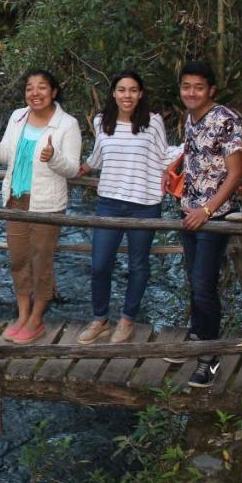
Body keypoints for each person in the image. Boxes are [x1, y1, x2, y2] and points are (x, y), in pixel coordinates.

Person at [0, 69, 81, 344]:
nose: (35, 93)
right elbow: (5, 156)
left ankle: (37, 319)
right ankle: (23, 315)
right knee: (19, 260)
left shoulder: (67, 124)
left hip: (47, 203)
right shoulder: (17, 116)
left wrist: (53, 157)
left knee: (41, 262)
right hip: (15, 199)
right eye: (30, 88)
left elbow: (71, 169)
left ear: (54, 91)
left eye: (42, 87)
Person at [162, 59, 242, 388]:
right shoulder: (190, 118)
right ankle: (198, 336)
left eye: (198, 87)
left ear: (211, 90)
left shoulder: (226, 120)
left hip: (214, 216)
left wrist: (208, 210)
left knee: (203, 285)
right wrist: (171, 173)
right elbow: (195, 156)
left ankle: (209, 358)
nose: (191, 92)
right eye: (186, 86)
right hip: (189, 210)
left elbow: (235, 173)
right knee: (194, 279)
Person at [76, 71, 169, 344]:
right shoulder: (101, 121)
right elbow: (99, 155)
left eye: (132, 90)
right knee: (100, 264)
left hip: (145, 203)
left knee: (138, 265)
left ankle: (127, 321)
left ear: (140, 94)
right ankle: (100, 319)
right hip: (109, 203)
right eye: (121, 90)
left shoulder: (152, 122)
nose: (126, 95)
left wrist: (177, 164)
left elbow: (164, 155)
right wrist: (81, 166)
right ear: (113, 93)